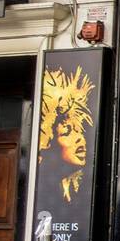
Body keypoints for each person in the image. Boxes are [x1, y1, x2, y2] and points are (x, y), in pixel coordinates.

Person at [38, 64, 96, 203]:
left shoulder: (84, 194)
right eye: (67, 132)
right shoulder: (42, 194)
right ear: (48, 143)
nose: (80, 139)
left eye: (80, 131)